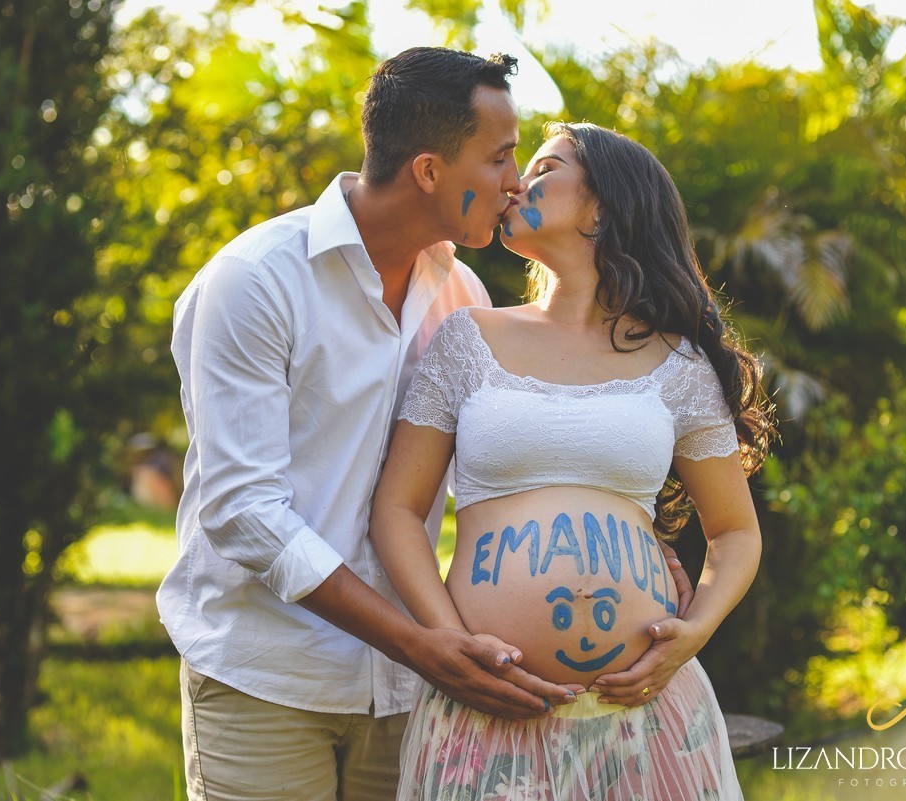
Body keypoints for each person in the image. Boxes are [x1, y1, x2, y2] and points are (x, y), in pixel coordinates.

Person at [157, 50, 693, 801]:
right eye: (503, 157)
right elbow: (244, 513)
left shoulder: (461, 297)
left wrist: (623, 542)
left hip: (412, 691)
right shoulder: (256, 281)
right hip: (271, 674)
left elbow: (523, 452)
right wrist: (421, 643)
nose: (516, 184)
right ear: (429, 170)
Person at [370, 122, 776, 800]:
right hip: (488, 710)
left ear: (601, 206)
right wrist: (450, 646)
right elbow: (398, 510)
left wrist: (693, 632)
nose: (515, 184)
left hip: (645, 718)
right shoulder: (468, 338)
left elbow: (735, 531)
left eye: (544, 166)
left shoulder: (677, 364)